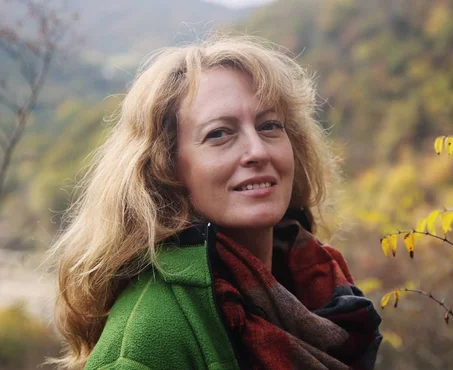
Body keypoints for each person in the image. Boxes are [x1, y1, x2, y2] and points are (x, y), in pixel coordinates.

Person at [48, 34, 382, 370]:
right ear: (166, 168)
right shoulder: (149, 339)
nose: (257, 151)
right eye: (219, 133)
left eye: (269, 126)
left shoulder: (314, 286)